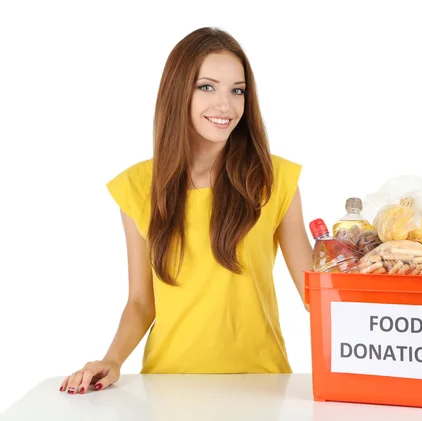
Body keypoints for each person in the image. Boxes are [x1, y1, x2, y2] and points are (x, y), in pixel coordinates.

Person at [59, 27, 313, 395]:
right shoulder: (138, 186)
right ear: (178, 91)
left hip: (263, 385)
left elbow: (315, 293)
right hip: (166, 388)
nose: (225, 105)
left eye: (237, 90)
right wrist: (110, 360)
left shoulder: (274, 179)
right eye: (207, 86)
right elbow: (141, 301)